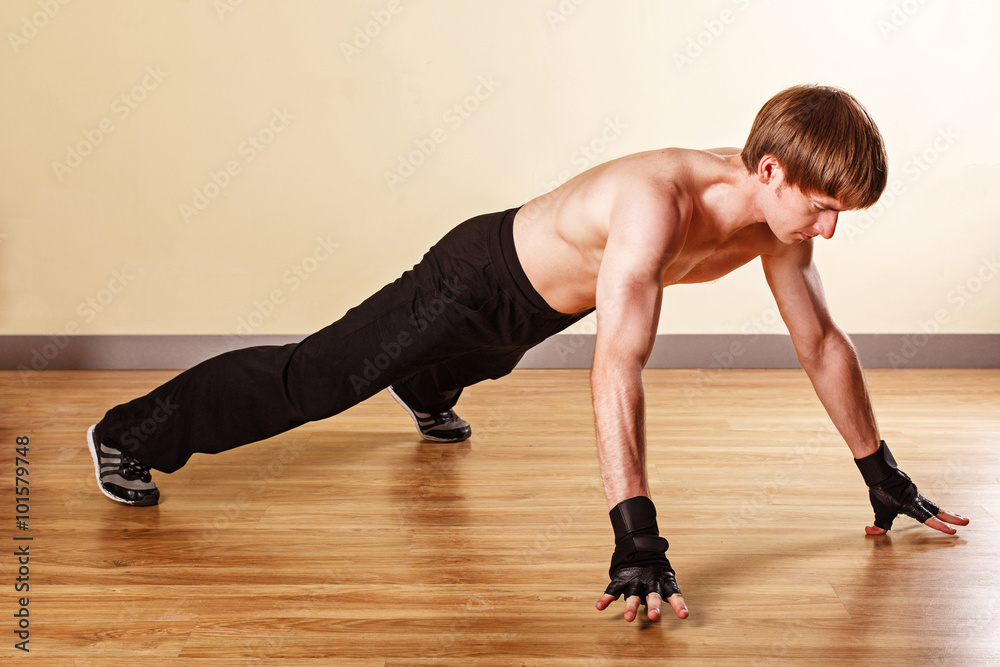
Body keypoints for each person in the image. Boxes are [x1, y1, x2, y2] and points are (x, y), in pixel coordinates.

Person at [86, 84, 969, 623]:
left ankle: (427, 386)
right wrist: (638, 539)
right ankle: (132, 431)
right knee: (318, 379)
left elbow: (819, 342)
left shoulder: (782, 229)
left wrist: (879, 470)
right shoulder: (658, 200)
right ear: (770, 170)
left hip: (529, 311)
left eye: (841, 212)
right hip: (471, 280)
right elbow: (618, 364)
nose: (829, 229)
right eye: (823, 205)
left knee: (481, 361)